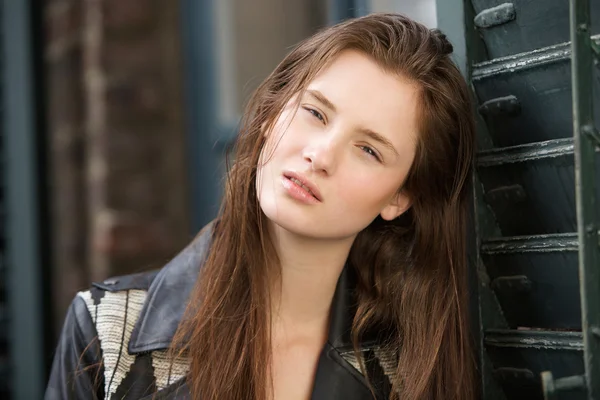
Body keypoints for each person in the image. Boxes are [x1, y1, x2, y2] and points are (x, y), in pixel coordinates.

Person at [45, 12, 477, 400]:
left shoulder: (407, 369)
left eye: (368, 150)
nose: (320, 156)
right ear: (272, 115)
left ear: (399, 198)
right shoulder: (106, 331)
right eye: (316, 113)